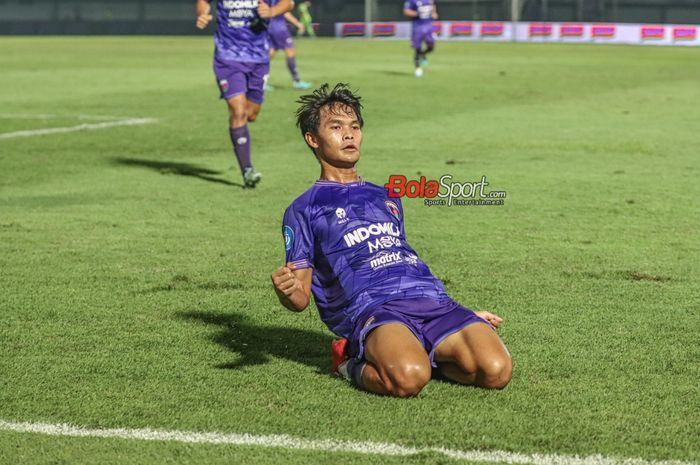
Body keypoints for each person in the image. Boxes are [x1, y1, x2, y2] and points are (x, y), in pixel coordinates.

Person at [271, 84, 512, 397]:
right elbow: (300, 297)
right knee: (408, 379)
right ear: (312, 139)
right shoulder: (304, 209)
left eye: (355, 127)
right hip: (375, 308)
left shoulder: (387, 196)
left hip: (432, 300)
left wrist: (467, 317)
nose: (349, 135)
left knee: (495, 371)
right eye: (336, 127)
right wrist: (287, 291)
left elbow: (400, 255)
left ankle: (427, 344)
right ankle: (347, 360)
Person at [195, 0, 293, 188]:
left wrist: (272, 11)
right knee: (237, 111)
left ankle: (242, 144)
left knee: (251, 114)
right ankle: (247, 170)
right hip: (227, 58)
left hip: (258, 58)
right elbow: (203, 2)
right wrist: (202, 13)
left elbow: (288, 4)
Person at [267, 11, 313, 90]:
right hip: (279, 28)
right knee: (290, 51)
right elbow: (285, 12)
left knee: (270, 53)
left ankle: (260, 82)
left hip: (269, 27)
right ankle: (297, 82)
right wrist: (298, 24)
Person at [403, 0, 438, 77]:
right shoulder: (411, 1)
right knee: (417, 48)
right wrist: (417, 13)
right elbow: (406, 11)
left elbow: (432, 4)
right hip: (417, 27)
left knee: (431, 47)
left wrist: (434, 12)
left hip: (428, 26)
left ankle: (423, 54)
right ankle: (418, 68)